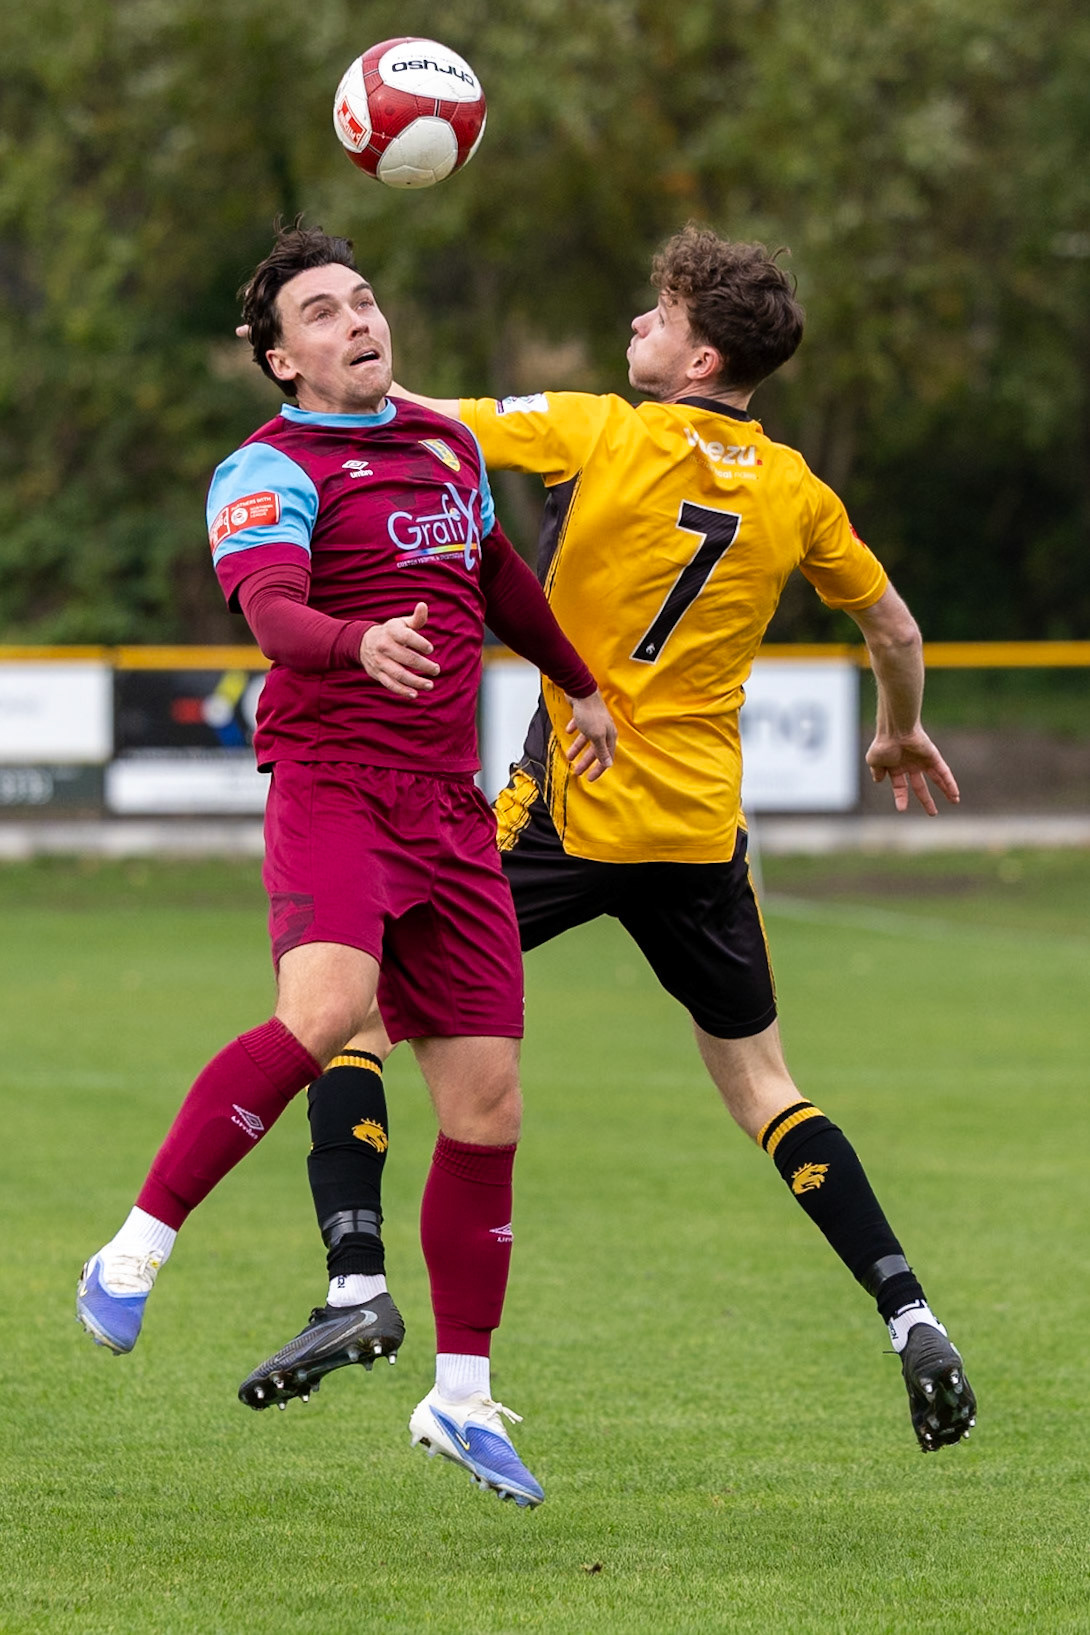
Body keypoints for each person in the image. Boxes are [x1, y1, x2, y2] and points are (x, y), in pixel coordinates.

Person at [241, 224, 977, 1455]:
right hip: (696, 835)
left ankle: (355, 1280)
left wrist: (312, 360)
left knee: (347, 1006)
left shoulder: (600, 427)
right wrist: (898, 729)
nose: (638, 325)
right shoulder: (799, 495)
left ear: (695, 361)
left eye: (658, 313)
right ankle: (908, 1312)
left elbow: (406, 408)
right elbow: (895, 629)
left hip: (563, 813)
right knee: (764, 1089)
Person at [76, 221, 618, 1511]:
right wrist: (351, 644)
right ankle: (135, 1250)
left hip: (450, 809)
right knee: (321, 1018)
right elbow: (268, 608)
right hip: (334, 791)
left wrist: (578, 682)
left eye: (364, 299)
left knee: (487, 1108)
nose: (358, 320)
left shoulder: (446, 441)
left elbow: (495, 574)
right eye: (323, 312)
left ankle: (461, 1398)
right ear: (283, 359)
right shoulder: (261, 467)